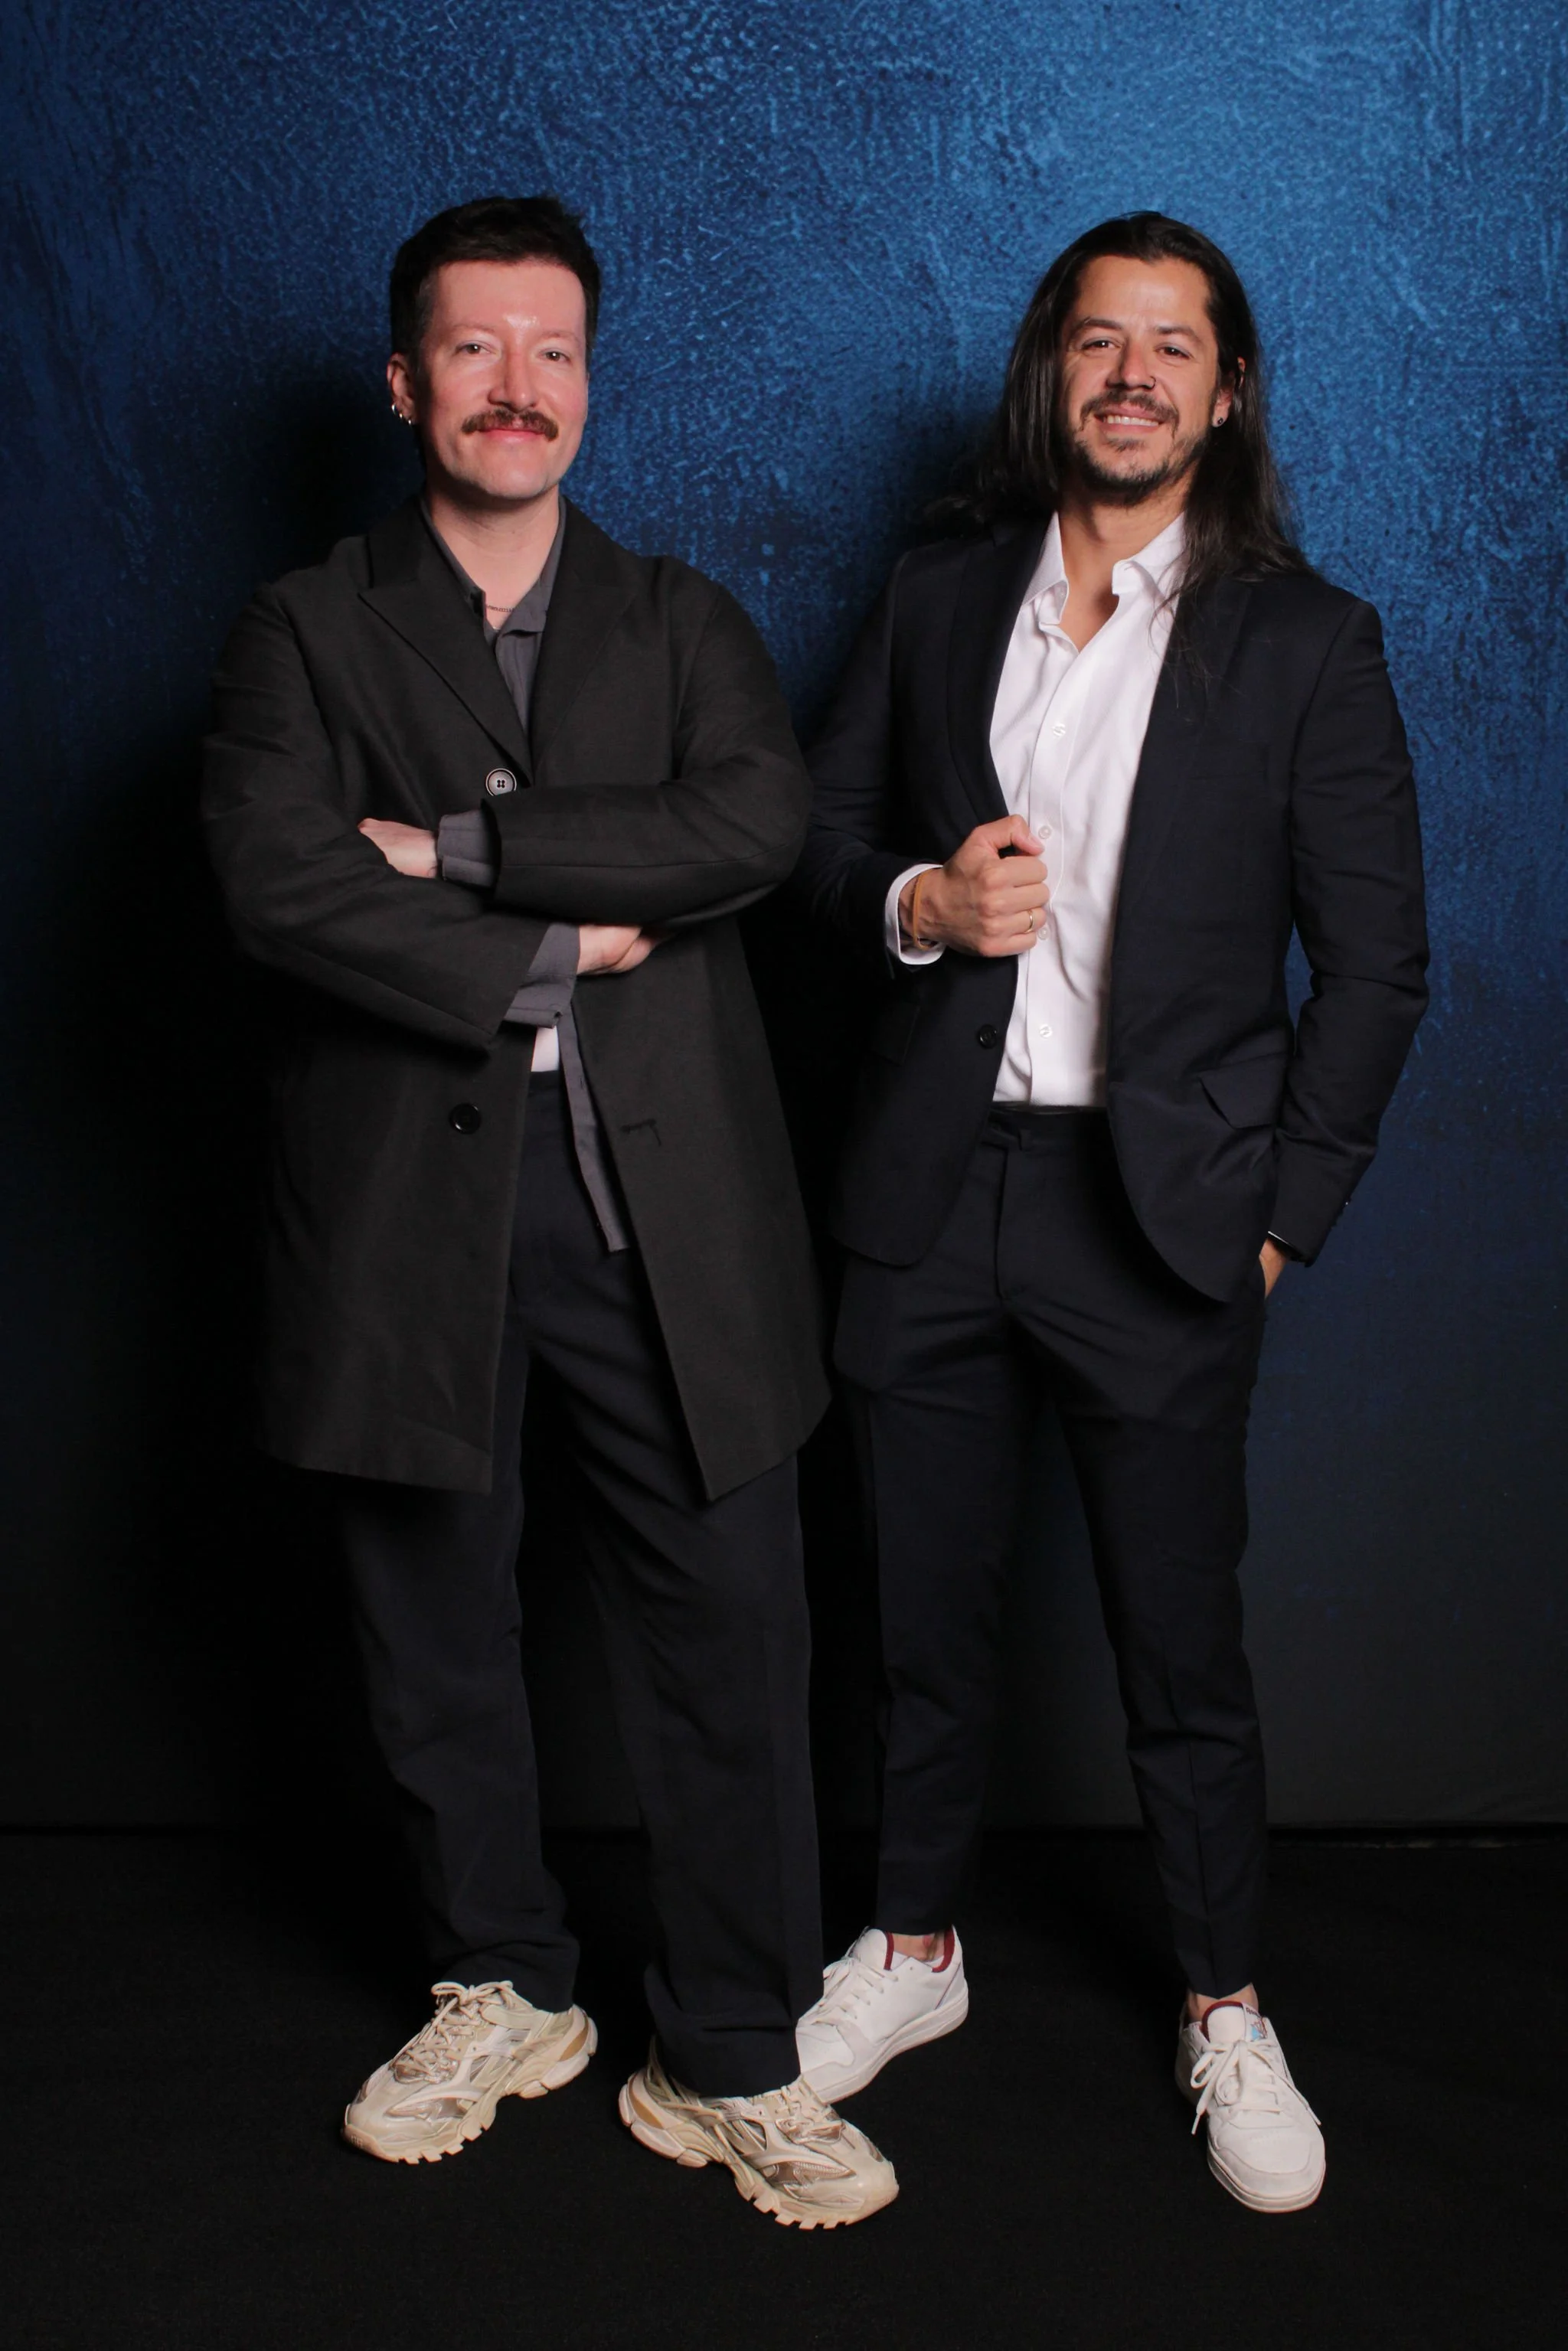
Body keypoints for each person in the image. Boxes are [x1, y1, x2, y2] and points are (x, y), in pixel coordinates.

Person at [201, 194, 896, 2229]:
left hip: (671, 1227)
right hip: (406, 1230)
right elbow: (276, 878)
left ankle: (735, 2054)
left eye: (555, 351)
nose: (519, 388)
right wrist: (568, 940)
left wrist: (470, 847)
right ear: (406, 381)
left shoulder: (682, 622)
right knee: (435, 1633)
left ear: (591, 383)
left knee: (735, 1640)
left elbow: (750, 821)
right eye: (477, 350)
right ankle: (502, 1983)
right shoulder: (302, 628)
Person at [789, 212, 1428, 2214]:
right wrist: (916, 903)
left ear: (1225, 393)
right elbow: (813, 839)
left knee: (1181, 1653)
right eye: (1098, 339)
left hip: (1161, 1224)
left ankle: (1224, 2000)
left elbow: (1383, 968)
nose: (1134, 372)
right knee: (911, 1619)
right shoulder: (933, 590)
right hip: (926, 1194)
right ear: (1049, 375)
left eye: (1175, 344)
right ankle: (911, 1952)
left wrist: (1278, 1223)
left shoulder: (1307, 641)